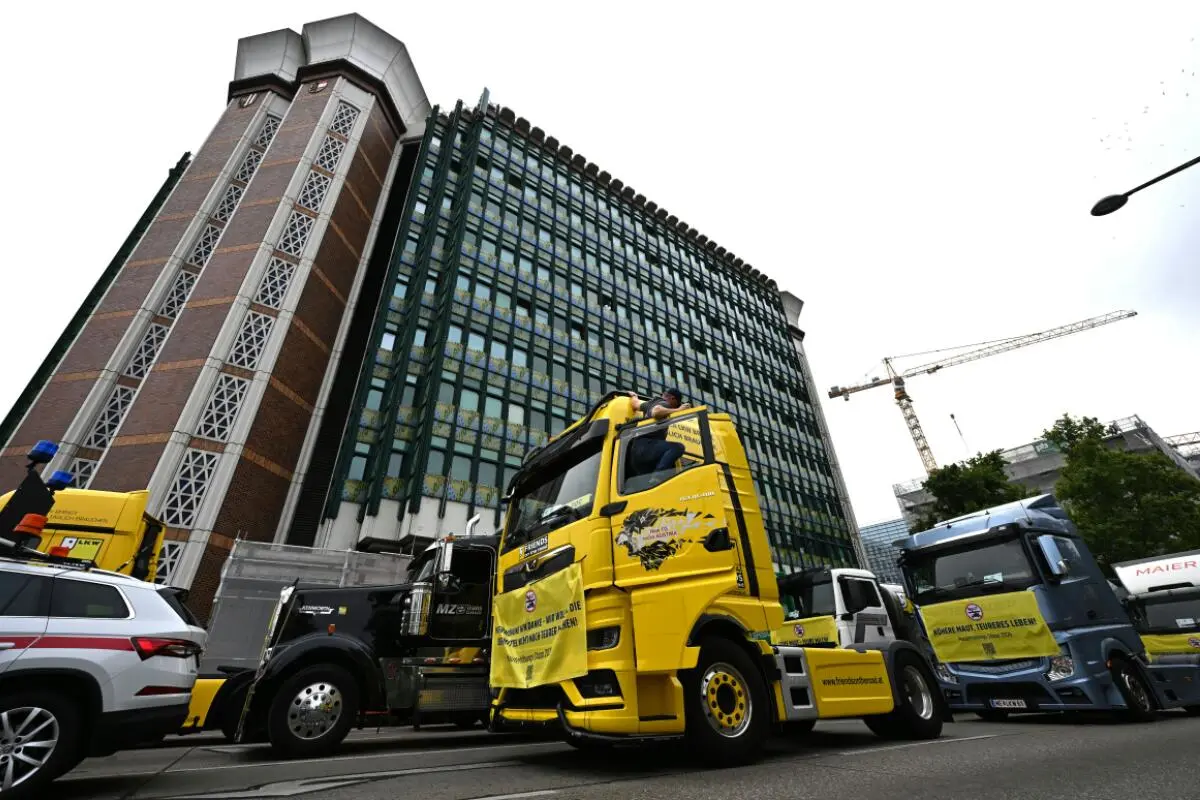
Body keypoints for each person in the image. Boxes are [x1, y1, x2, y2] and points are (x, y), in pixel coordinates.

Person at [627, 388, 690, 478]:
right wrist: (678, 410)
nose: (675, 407)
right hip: (647, 447)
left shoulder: (650, 404)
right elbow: (656, 412)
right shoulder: (665, 404)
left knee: (647, 484)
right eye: (677, 405)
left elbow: (635, 404)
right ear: (673, 399)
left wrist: (633, 395)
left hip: (636, 453)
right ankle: (658, 476)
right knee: (678, 447)